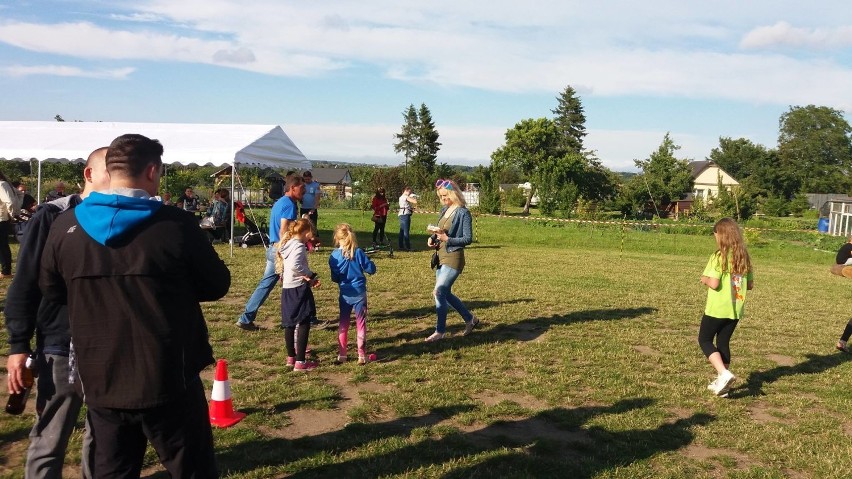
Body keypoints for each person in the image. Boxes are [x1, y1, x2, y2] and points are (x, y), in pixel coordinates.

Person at [39, 134, 230, 477]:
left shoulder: (65, 226)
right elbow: (217, 284)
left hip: (101, 375)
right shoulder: (176, 225)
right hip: (168, 374)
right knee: (192, 468)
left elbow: (52, 290)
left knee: (112, 469)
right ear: (152, 170)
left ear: (109, 170)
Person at [5, 147, 109, 478]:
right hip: (60, 343)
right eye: (112, 169)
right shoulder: (52, 215)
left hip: (109, 343)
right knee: (51, 433)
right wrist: (18, 344)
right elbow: (25, 282)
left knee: (103, 436)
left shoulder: (120, 216)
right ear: (89, 175)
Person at [236, 175, 305, 330]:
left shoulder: (280, 202)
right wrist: (287, 251)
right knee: (300, 282)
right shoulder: (289, 205)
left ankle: (245, 319)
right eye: (302, 188)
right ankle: (307, 318)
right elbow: (283, 230)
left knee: (266, 284)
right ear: (293, 187)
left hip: (273, 248)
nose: (305, 191)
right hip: (280, 250)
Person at [697, 217, 754, 397]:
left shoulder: (719, 256)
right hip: (735, 309)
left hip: (717, 308)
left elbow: (714, 283)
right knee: (723, 342)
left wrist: (704, 279)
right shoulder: (743, 257)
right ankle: (723, 385)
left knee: (704, 340)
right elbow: (750, 285)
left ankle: (723, 373)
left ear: (720, 236)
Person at [425, 179, 479, 342]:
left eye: (445, 196)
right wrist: (433, 238)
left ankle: (439, 331)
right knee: (445, 294)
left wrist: (447, 239)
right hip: (441, 256)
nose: (443, 199)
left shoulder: (463, 212)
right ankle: (471, 319)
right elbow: (441, 231)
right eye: (441, 196)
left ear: (453, 193)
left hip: (454, 257)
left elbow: (468, 238)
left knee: (439, 292)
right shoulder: (444, 210)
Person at [329, 223, 377, 364]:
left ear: (337, 239)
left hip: (345, 293)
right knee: (360, 323)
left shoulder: (334, 256)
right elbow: (371, 269)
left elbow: (334, 277)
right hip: (359, 293)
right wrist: (370, 263)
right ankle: (361, 355)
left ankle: (342, 354)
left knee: (343, 323)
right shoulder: (358, 252)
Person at [278, 218, 321, 371]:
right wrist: (310, 274)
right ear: (307, 232)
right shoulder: (298, 246)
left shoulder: (288, 244)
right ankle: (300, 362)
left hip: (288, 287)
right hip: (298, 288)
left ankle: (291, 357)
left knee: (289, 323)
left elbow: (290, 266)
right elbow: (297, 266)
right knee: (303, 321)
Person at [0, 170, 22, 279]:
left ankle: (6, 271)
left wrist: (13, 214)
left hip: (1, 219)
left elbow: (10, 201)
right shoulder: (4, 184)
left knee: (2, 245)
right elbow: (19, 194)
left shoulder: (2, 184)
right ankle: (5, 270)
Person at [397, 186, 418, 251]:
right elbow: (415, 202)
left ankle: (401, 246)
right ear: (407, 191)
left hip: (401, 214)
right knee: (406, 232)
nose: (410, 193)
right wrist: (413, 197)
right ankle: (408, 247)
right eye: (410, 192)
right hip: (406, 215)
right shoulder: (406, 197)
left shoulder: (400, 197)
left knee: (402, 231)